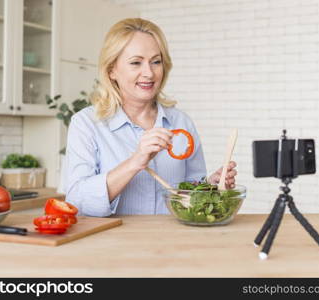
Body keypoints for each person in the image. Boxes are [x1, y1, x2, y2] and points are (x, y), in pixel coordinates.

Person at [65, 18, 237, 217]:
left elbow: (190, 195)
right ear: (112, 70)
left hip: (173, 243)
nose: (149, 73)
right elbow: (77, 203)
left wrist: (209, 187)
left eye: (156, 62)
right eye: (136, 62)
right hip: (114, 245)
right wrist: (135, 162)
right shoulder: (86, 124)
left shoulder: (181, 122)